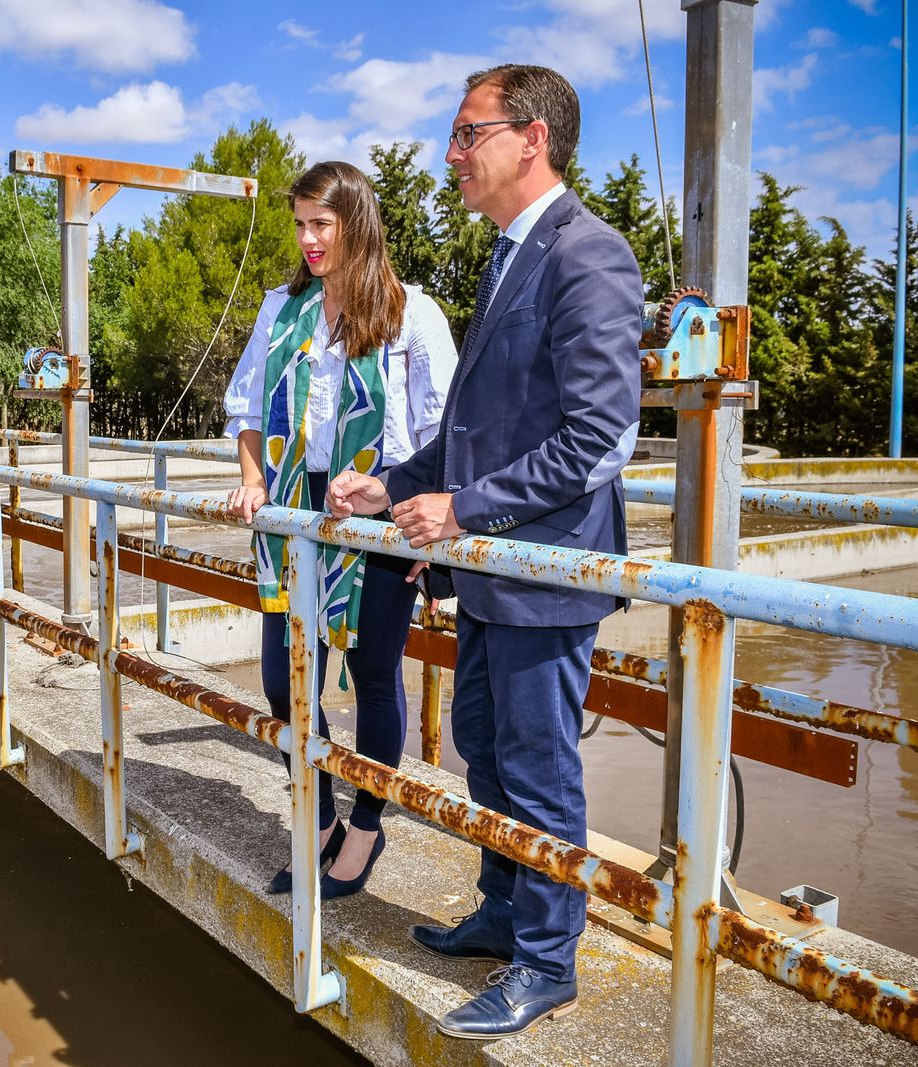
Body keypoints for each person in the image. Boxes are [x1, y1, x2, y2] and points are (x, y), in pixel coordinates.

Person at [327, 65, 642, 1039]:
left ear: (530, 139)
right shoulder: (507, 256)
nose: (451, 154)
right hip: (492, 573)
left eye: (468, 134)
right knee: (486, 754)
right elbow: (476, 427)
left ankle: (546, 961)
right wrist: (389, 479)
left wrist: (463, 509)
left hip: (545, 572)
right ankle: (504, 911)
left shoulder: (588, 256)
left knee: (539, 769)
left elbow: (596, 441)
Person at [223, 160, 458, 900]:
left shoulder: (410, 312)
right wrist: (254, 476)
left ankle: (365, 824)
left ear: (356, 223)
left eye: (320, 224)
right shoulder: (281, 309)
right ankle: (320, 812)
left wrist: (421, 507)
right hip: (296, 510)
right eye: (299, 224)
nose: (307, 239)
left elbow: (442, 427)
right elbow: (248, 409)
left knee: (375, 676)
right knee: (281, 674)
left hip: (379, 510)